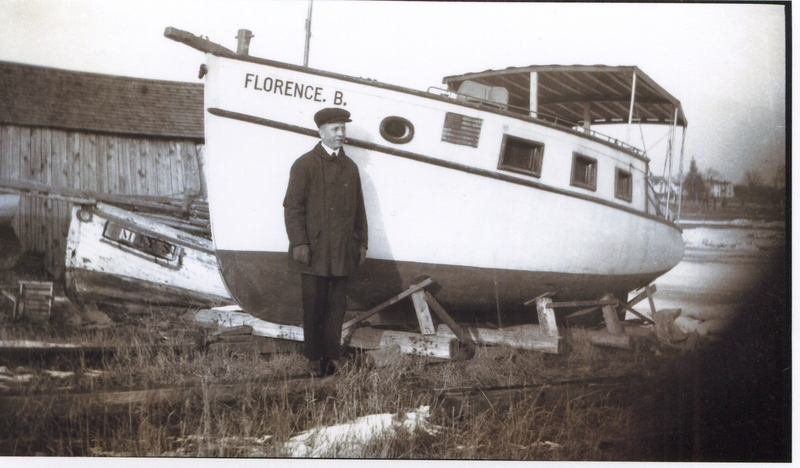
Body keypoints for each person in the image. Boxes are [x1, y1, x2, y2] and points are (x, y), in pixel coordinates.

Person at [283, 107, 368, 377]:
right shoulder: (305, 164)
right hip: (314, 251)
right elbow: (293, 207)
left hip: (343, 251)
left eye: (343, 128)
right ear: (321, 132)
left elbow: (359, 210)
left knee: (337, 307)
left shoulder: (350, 167)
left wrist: (362, 244)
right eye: (335, 129)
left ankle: (333, 357)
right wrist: (299, 243)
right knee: (314, 306)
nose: (341, 133)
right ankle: (313, 358)